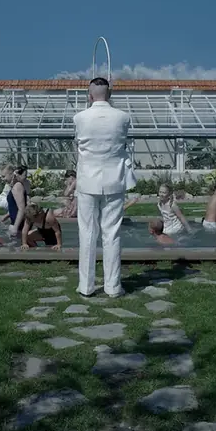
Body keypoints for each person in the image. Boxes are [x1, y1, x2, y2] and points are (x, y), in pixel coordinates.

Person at [73, 77, 130, 298]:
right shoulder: (123, 117)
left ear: (89, 96)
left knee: (87, 233)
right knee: (112, 233)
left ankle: (86, 286)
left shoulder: (80, 118)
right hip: (114, 179)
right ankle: (113, 286)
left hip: (88, 180)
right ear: (110, 94)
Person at [4, 165, 29, 240]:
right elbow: (15, 206)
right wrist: (6, 216)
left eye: (4, 176)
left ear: (12, 174)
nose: (3, 179)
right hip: (17, 223)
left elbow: (21, 209)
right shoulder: (16, 186)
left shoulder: (17, 186)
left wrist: (15, 227)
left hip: (19, 224)